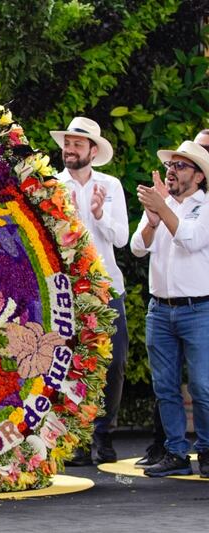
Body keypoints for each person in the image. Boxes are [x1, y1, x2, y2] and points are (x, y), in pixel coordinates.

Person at [50, 117, 129, 465]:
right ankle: (77, 440)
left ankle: (104, 433)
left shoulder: (110, 185)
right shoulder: (51, 184)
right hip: (66, 290)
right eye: (67, 143)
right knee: (69, 364)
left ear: (93, 151)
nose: (69, 149)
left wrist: (98, 214)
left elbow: (122, 239)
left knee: (114, 363)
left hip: (107, 286)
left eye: (77, 144)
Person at [131, 140, 209, 478]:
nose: (171, 171)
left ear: (199, 176)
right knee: (164, 387)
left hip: (198, 310)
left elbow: (190, 240)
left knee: (203, 386)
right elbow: (136, 248)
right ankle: (176, 451)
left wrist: (162, 209)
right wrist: (151, 220)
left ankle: (206, 450)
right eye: (170, 166)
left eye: (180, 166)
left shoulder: (205, 207)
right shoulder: (162, 206)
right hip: (159, 310)